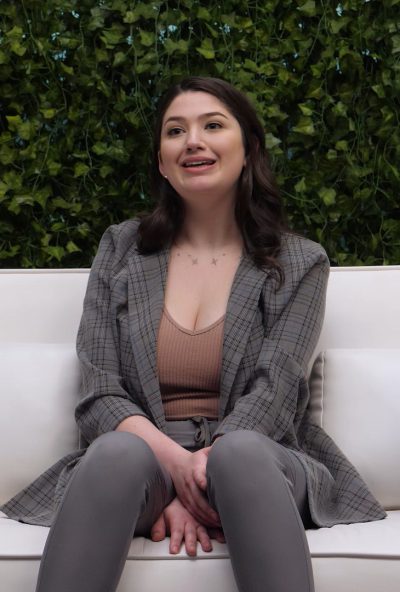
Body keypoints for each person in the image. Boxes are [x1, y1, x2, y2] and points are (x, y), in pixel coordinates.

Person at [1, 77, 385, 592]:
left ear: (249, 149)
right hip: (144, 462)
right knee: (115, 453)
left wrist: (201, 476)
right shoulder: (120, 249)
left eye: (213, 125)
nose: (193, 141)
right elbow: (99, 390)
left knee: (238, 454)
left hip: (262, 461)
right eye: (175, 131)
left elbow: (275, 391)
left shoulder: (300, 261)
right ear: (162, 162)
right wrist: (176, 473)